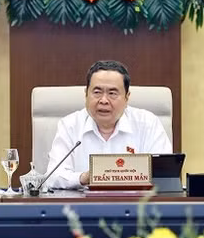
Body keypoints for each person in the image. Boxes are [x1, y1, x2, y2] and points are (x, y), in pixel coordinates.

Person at [45, 60, 171, 189]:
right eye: (97, 92)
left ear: (127, 97)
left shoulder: (148, 124)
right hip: (82, 206)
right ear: (86, 94)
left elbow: (165, 176)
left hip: (136, 205)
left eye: (112, 93)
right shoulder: (70, 125)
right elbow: (53, 177)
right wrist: (86, 177)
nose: (104, 100)